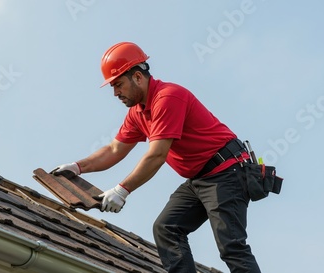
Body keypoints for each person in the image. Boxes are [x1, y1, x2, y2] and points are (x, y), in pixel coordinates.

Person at [52, 42, 261, 273]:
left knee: (231, 245)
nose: (115, 93)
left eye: (118, 85)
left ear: (138, 77)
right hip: (200, 178)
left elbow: (157, 154)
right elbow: (114, 150)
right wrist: (77, 167)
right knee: (166, 228)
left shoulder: (168, 97)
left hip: (226, 172)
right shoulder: (138, 112)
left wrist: (122, 190)